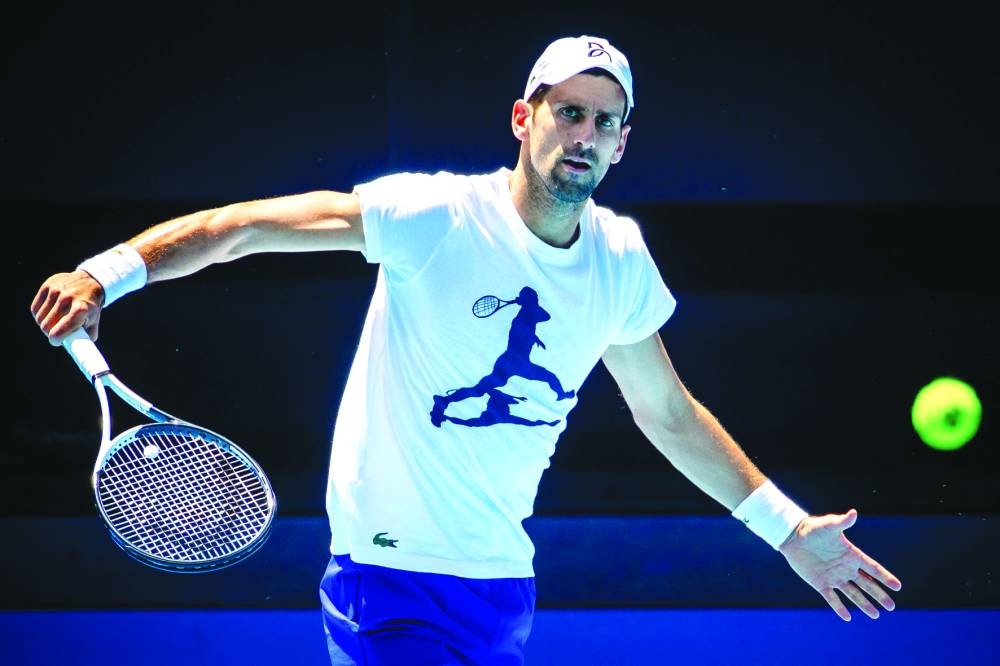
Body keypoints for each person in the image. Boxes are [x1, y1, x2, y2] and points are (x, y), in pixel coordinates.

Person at [30, 34, 901, 666]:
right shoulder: (433, 214)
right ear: (525, 118)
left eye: (604, 122)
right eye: (568, 112)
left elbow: (668, 415)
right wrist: (107, 273)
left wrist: (788, 530)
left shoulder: (621, 260)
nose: (584, 134)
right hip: (387, 583)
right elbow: (242, 228)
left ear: (622, 143)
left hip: (504, 589)